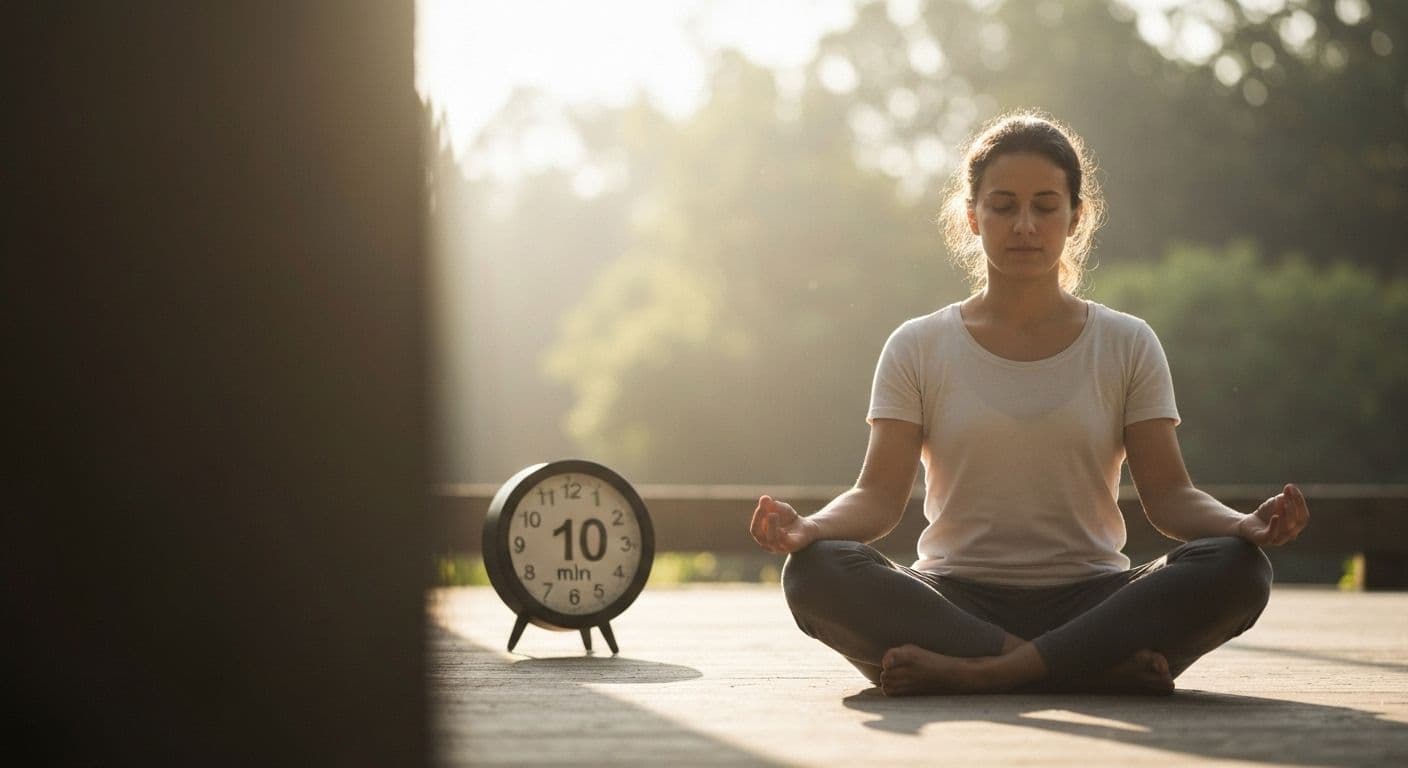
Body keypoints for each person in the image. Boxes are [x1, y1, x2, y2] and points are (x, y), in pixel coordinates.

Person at [748, 111, 1310, 696]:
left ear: (1075, 217)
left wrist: (1242, 524)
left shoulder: (1126, 342)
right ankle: (1080, 669)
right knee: (815, 571)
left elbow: (1169, 497)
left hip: (1095, 600)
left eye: (1045, 206)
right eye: (1002, 206)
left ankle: (983, 674)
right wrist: (809, 528)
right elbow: (878, 498)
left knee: (1238, 567)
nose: (1024, 225)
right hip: (953, 601)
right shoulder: (917, 345)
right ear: (972, 216)